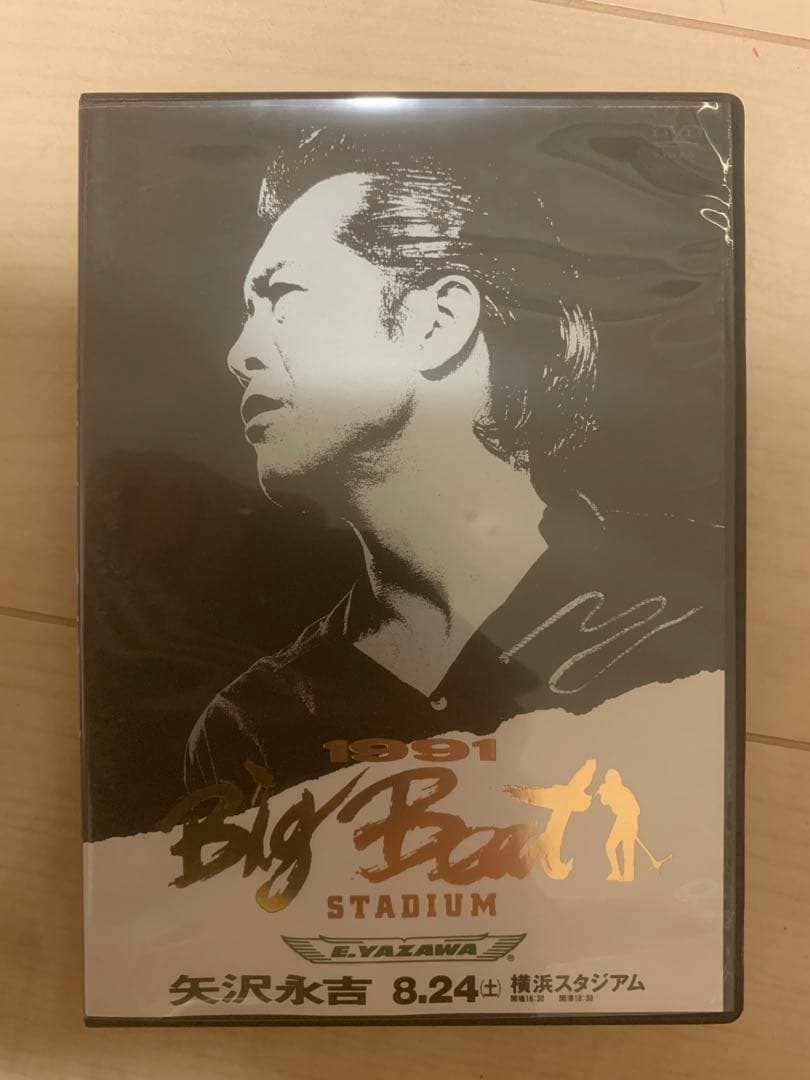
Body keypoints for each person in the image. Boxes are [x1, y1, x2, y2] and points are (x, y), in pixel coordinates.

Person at [184, 123, 724, 808]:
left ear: (438, 322)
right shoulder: (252, 728)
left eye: (283, 298)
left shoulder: (693, 603)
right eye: (246, 312)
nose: (239, 354)